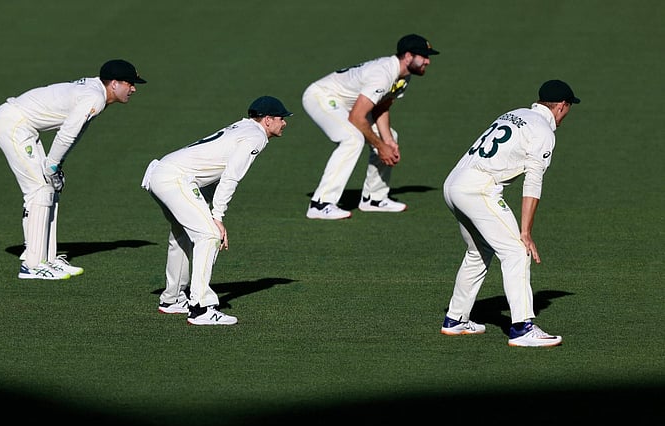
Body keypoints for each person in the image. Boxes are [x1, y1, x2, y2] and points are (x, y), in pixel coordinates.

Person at [440, 80, 580, 347]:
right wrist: (525, 233)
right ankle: (522, 328)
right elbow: (533, 182)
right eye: (568, 108)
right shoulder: (544, 132)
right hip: (478, 189)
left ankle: (456, 319)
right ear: (562, 106)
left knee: (478, 251)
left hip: (453, 183)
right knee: (517, 251)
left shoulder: (516, 113)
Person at [0, 59, 146, 280]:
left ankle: (48, 259)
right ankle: (32, 265)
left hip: (23, 125)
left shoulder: (96, 92)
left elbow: (75, 131)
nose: (133, 88)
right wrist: (52, 166)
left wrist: (56, 165)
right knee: (40, 190)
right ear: (113, 83)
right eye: (129, 83)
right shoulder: (95, 97)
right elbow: (67, 133)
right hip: (12, 123)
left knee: (49, 189)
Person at [142, 96, 291, 325]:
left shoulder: (243, 126)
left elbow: (213, 172)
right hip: (176, 178)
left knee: (181, 236)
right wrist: (217, 217)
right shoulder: (255, 136)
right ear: (268, 120)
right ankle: (201, 308)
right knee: (210, 235)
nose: (285, 123)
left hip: (161, 173)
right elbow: (231, 177)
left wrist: (209, 210)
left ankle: (172, 299)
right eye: (282, 118)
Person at [303, 34, 439, 220]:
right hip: (322, 97)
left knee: (390, 137)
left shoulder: (404, 76)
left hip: (350, 105)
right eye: (424, 56)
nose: (428, 61)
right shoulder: (383, 74)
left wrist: (388, 141)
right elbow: (357, 117)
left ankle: (374, 198)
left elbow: (381, 107)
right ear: (408, 56)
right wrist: (380, 147)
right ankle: (320, 203)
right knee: (352, 139)